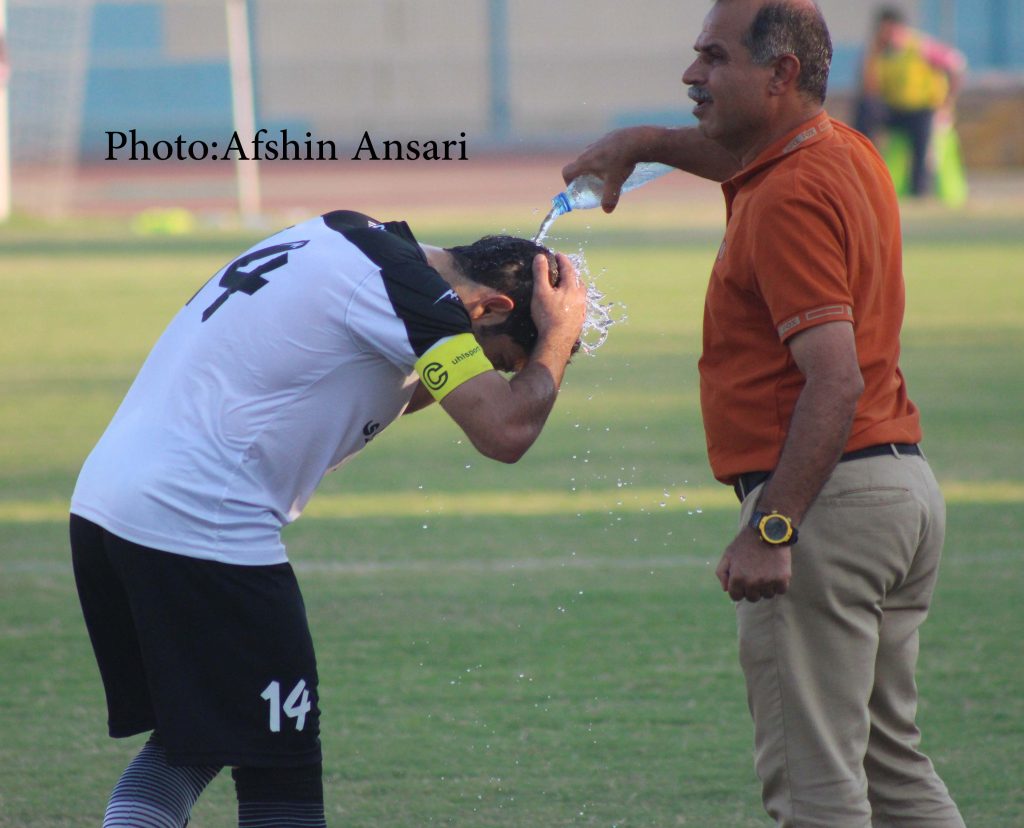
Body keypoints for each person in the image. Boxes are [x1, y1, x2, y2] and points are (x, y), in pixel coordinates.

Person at [562, 1, 964, 826]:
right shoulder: (841, 149)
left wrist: (771, 527)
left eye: (713, 58)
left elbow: (834, 380)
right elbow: (737, 156)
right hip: (899, 490)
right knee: (894, 772)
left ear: (780, 74)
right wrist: (644, 142)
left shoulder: (787, 195)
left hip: (825, 505)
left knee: (816, 793)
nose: (691, 74)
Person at [69, 209, 586, 827]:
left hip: (108, 509)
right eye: (503, 361)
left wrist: (519, 351)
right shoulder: (414, 295)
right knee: (280, 776)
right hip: (200, 525)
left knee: (194, 745)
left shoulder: (348, 236)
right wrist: (555, 339)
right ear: (492, 308)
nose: (499, 376)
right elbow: (504, 430)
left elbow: (412, 378)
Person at [856, 6, 967, 198]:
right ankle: (860, 165)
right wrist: (872, 56)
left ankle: (919, 189)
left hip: (922, 110)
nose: (887, 36)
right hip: (895, 110)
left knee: (923, 132)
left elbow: (957, 64)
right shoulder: (878, 53)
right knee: (865, 109)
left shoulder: (920, 46)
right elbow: (868, 90)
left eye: (891, 30)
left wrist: (947, 104)